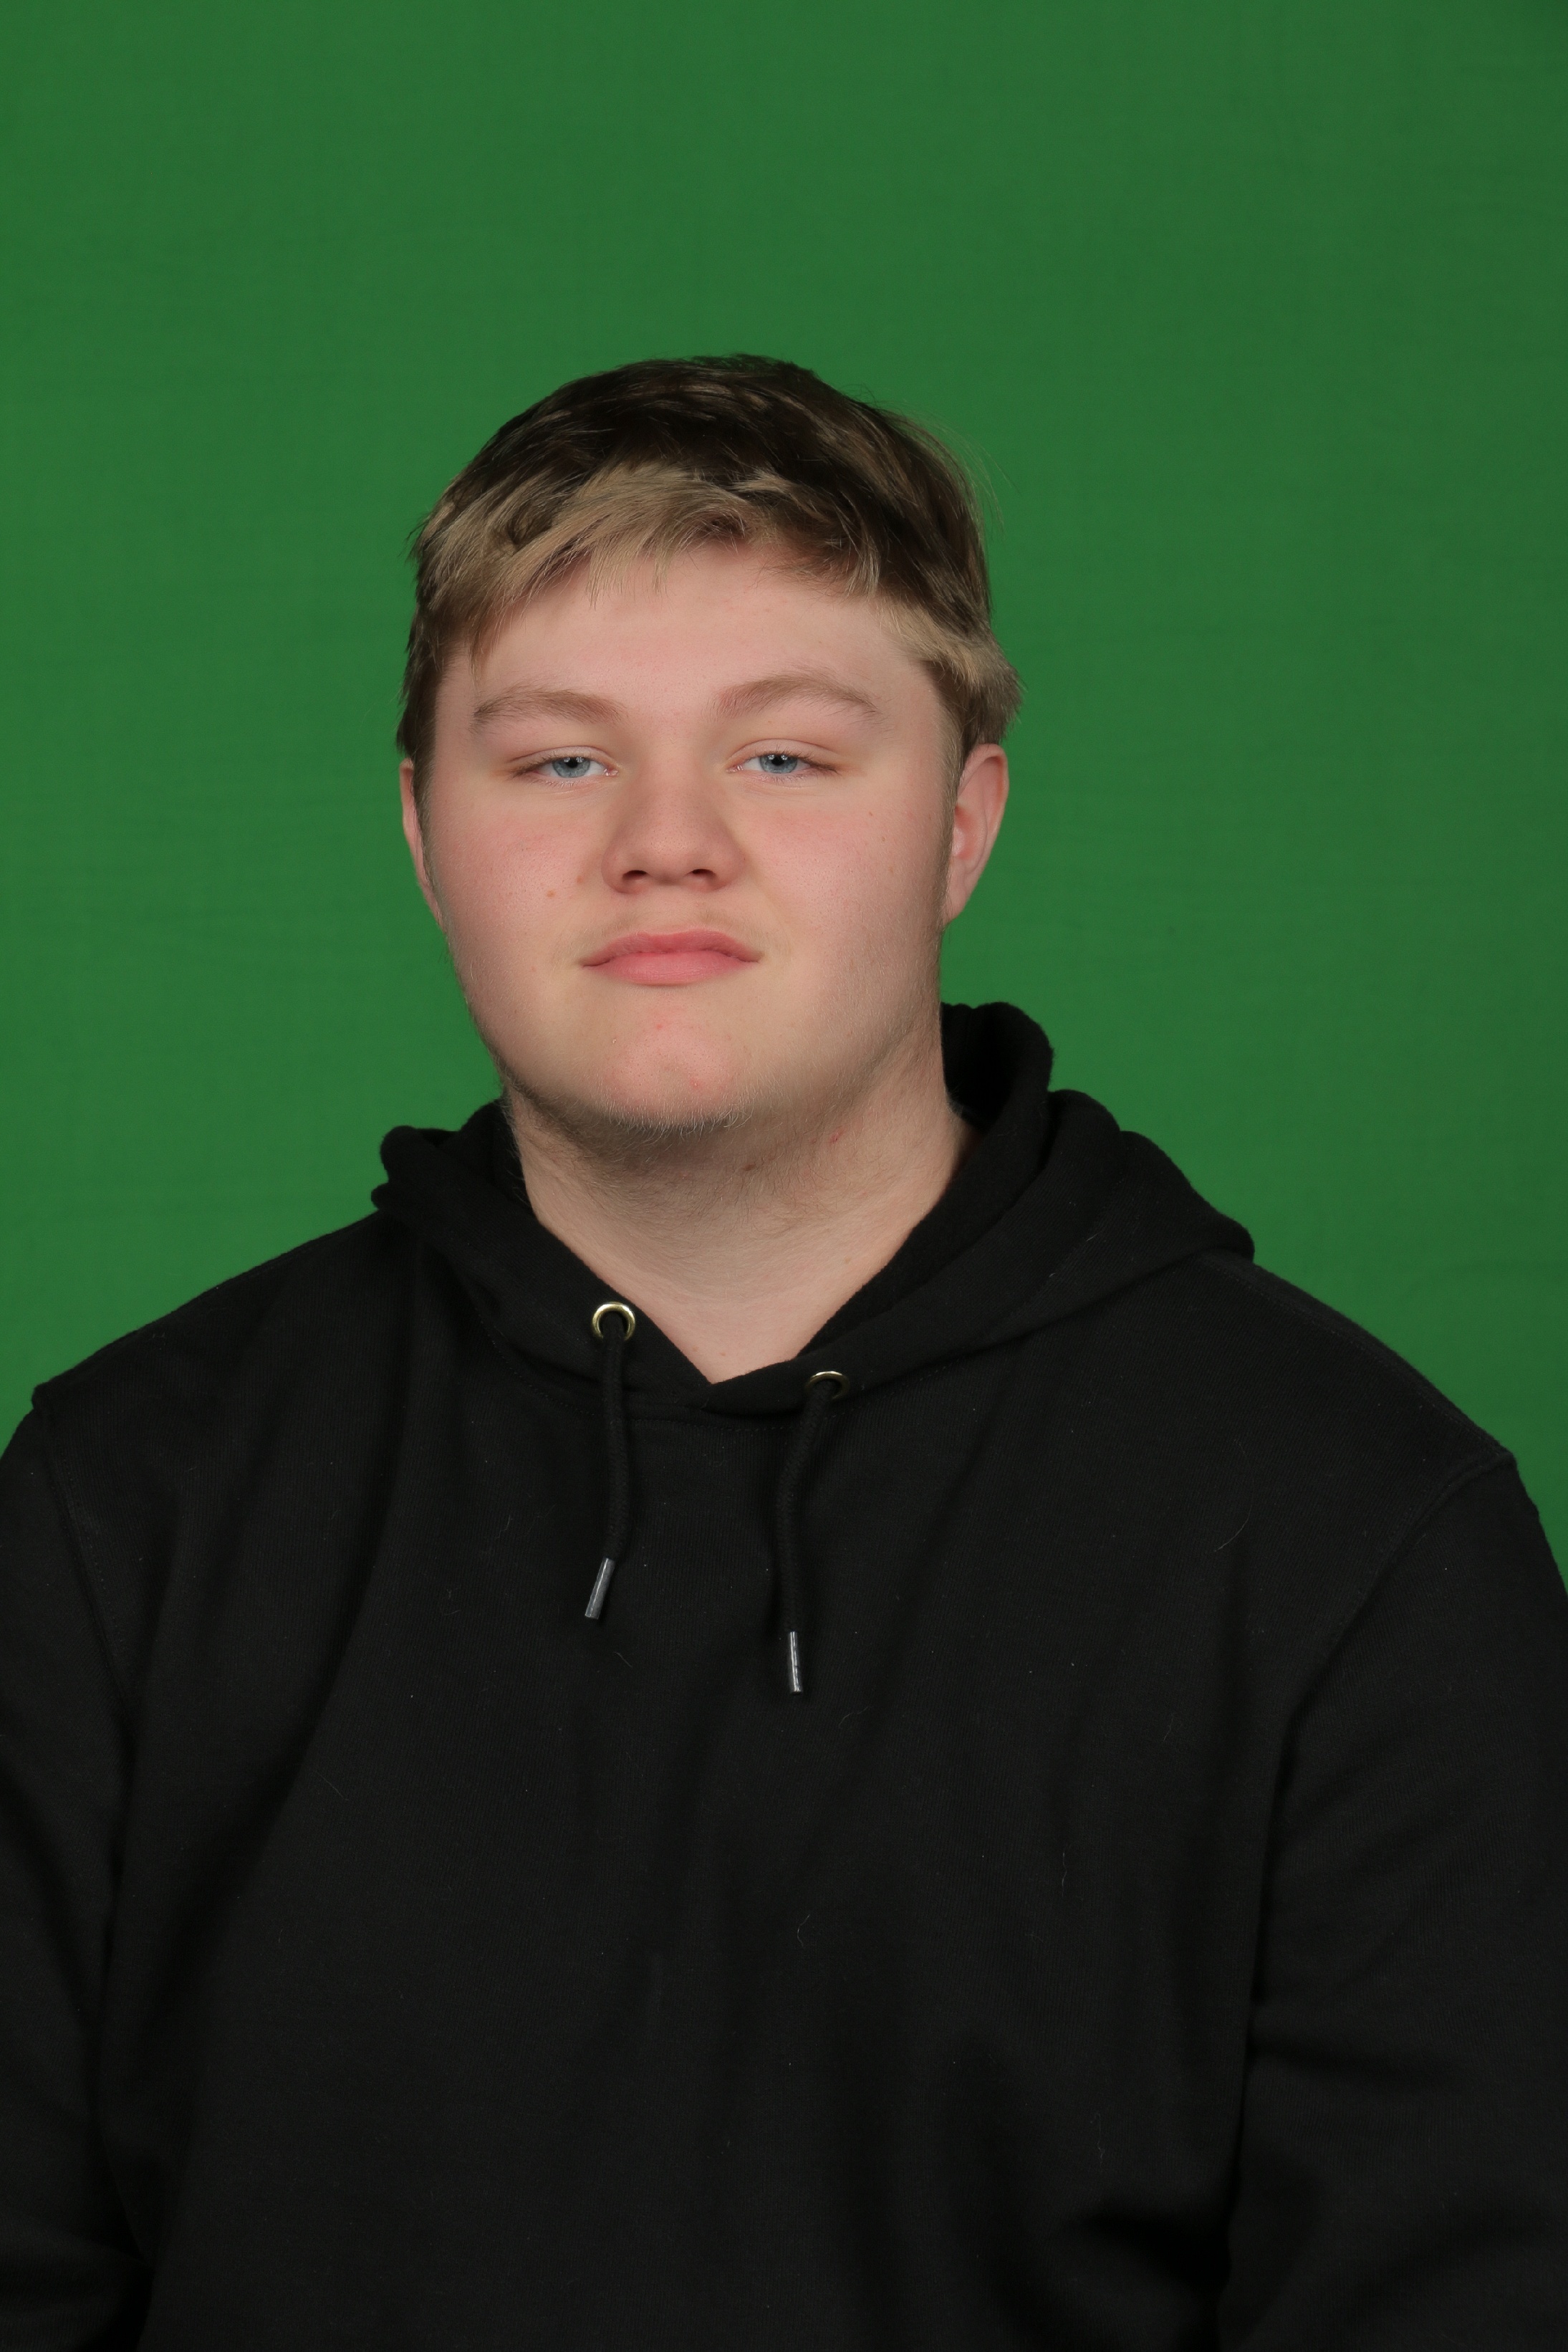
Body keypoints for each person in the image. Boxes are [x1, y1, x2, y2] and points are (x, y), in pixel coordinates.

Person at [0, 355, 1564, 2351]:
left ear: (962, 824)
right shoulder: (123, 1507)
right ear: (420, 830)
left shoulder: (1360, 1544)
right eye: (558, 760)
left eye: (788, 755)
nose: (667, 841)